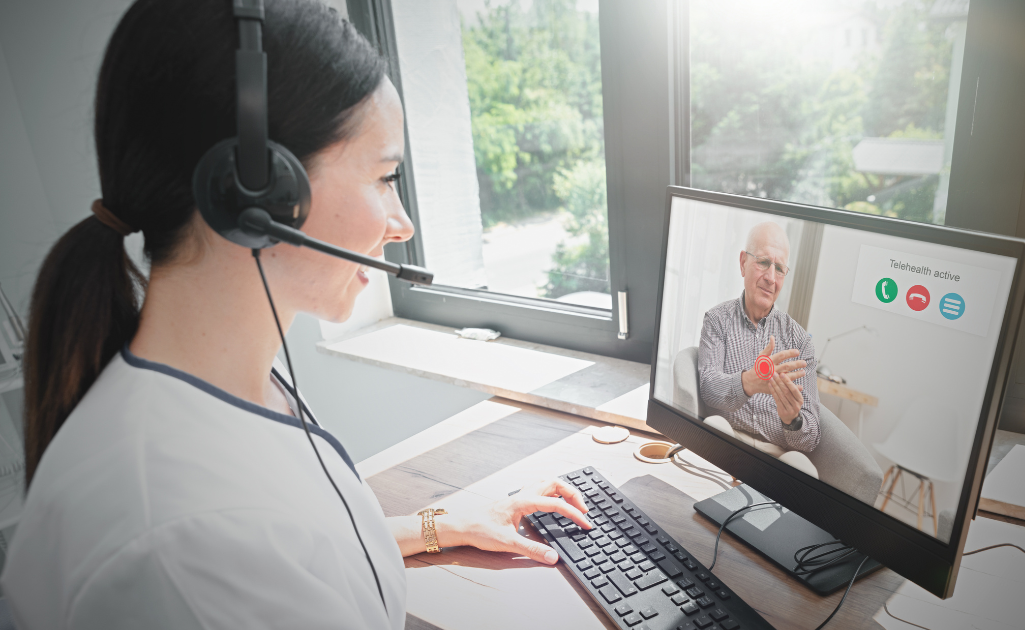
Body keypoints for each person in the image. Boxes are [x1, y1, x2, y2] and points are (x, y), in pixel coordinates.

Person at [0, 1, 591, 627]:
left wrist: (437, 523)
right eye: (385, 177)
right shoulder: (183, 547)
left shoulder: (226, 384)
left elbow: (292, 550)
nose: (402, 224)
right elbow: (245, 556)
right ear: (254, 194)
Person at [697, 222, 821, 453]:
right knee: (713, 428)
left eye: (780, 269)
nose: (771, 278)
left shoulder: (800, 342)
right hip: (726, 439)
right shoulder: (716, 320)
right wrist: (748, 383)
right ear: (743, 263)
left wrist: (792, 420)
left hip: (775, 455)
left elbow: (812, 437)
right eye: (763, 262)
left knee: (804, 471)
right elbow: (708, 388)